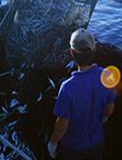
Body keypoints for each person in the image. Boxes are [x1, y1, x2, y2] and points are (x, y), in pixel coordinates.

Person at [48, 28, 116, 160]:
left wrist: (53, 142)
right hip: (97, 144)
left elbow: (62, 125)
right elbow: (109, 109)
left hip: (72, 149)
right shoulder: (107, 76)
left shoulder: (67, 87)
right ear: (94, 50)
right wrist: (103, 117)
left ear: (71, 53)